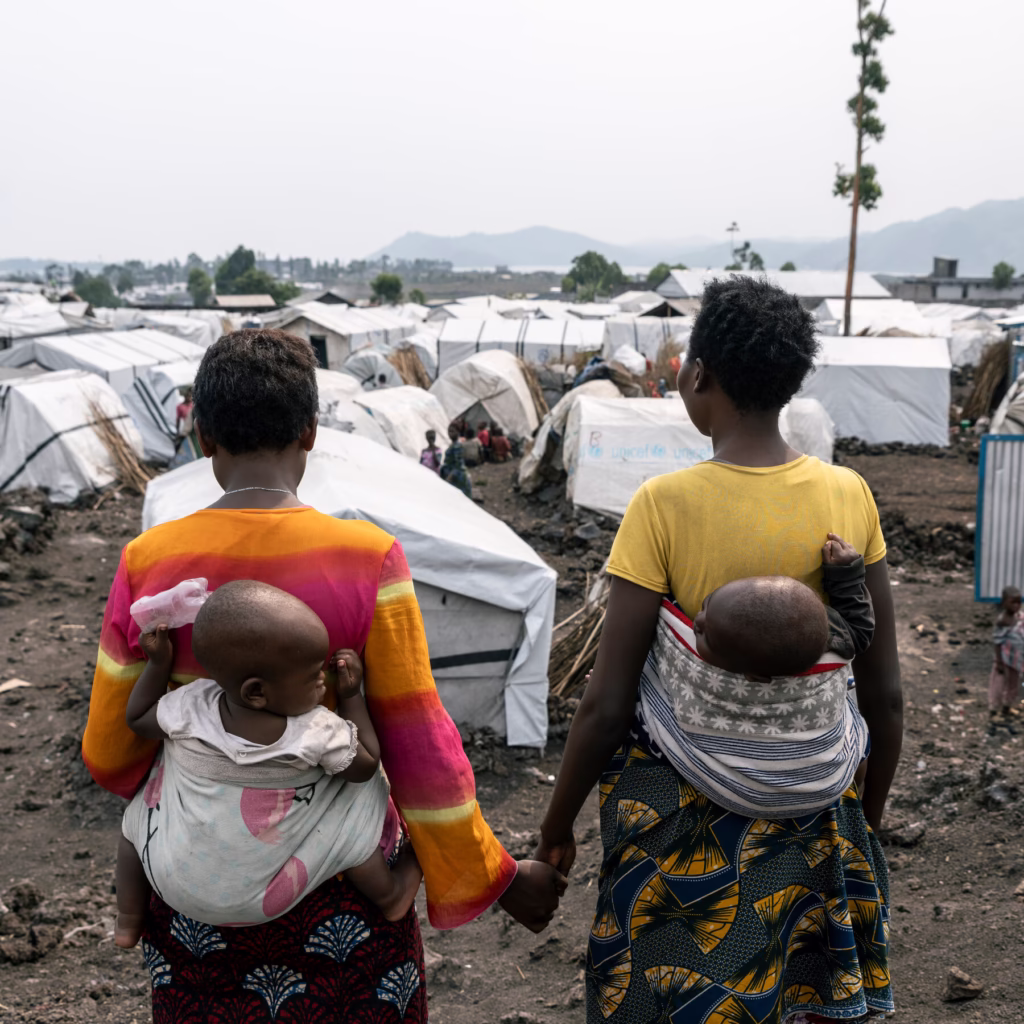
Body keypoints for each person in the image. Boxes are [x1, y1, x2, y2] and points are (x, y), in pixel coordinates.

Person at [83, 329, 564, 1022]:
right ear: (310, 433)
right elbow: (418, 745)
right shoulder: (368, 558)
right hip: (338, 892)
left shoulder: (148, 561)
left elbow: (110, 749)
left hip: (198, 892)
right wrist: (497, 874)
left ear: (202, 438)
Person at [535, 277, 900, 1024]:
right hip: (818, 820)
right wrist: (865, 817)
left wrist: (555, 826)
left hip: (682, 827)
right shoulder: (849, 494)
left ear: (698, 374)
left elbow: (607, 705)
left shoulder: (662, 506)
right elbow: (883, 693)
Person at [115, 581, 421, 948]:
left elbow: (138, 718)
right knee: (349, 813)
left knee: (134, 824)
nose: (322, 682)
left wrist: (158, 664)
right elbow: (366, 766)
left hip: (171, 884)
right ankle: (391, 896)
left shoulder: (190, 706)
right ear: (257, 692)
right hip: (263, 901)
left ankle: (129, 917)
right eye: (312, 676)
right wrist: (352, 696)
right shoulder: (315, 731)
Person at [653, 532, 874, 818]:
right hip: (827, 789)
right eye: (706, 604)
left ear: (755, 678)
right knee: (858, 739)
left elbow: (662, 676)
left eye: (705, 636)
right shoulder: (835, 635)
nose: (697, 621)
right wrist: (847, 575)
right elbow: (861, 631)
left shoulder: (723, 673)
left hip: (749, 792)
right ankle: (856, 779)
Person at [989, 585, 1023, 735]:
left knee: (1013, 684)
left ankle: (1007, 707)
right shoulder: (1002, 620)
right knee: (998, 684)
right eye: (1012, 602)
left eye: (1019, 602)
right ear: (1004, 603)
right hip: (1004, 659)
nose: (1016, 605)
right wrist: (999, 662)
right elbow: (997, 642)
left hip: (1016, 659)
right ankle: (993, 709)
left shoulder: (1019, 616)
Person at [441, 422, 473, 497]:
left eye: (452, 431)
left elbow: (459, 465)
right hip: (451, 476)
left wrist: (449, 477)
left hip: (457, 478)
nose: (450, 433)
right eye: (449, 431)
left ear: (458, 432)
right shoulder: (453, 444)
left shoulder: (457, 446)